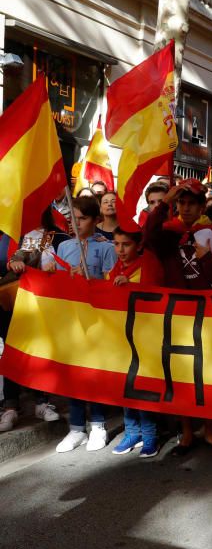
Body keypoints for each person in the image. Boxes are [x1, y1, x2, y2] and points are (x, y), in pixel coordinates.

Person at [143, 179, 212, 455]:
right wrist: (165, 202)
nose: (187, 207)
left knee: (205, 370)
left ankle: (210, 428)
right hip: (177, 311)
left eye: (192, 203)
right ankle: (187, 432)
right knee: (180, 372)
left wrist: (205, 258)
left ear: (202, 205)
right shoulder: (168, 230)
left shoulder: (211, 233)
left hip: (206, 313)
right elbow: (147, 235)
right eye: (182, 202)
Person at [52, 196, 117, 453]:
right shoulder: (64, 246)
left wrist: (91, 280)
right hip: (71, 320)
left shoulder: (106, 247)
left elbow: (113, 287)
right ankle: (76, 428)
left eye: (83, 218)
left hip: (97, 320)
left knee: (93, 373)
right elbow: (56, 284)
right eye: (73, 218)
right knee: (73, 374)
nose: (76, 223)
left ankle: (98, 424)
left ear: (96, 220)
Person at [0, 207, 69, 432]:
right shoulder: (27, 238)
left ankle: (42, 402)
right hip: (22, 301)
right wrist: (16, 262)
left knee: (40, 351)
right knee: (13, 350)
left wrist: (57, 270)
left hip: (49, 304)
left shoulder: (57, 236)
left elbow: (73, 264)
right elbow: (19, 256)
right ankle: (10, 407)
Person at [107, 228, 163, 457]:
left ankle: (150, 435)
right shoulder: (115, 269)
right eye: (117, 244)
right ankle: (132, 432)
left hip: (145, 336)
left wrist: (130, 286)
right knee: (124, 385)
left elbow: (154, 296)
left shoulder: (147, 265)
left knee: (141, 386)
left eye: (126, 244)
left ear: (138, 246)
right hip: (121, 336)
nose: (120, 250)